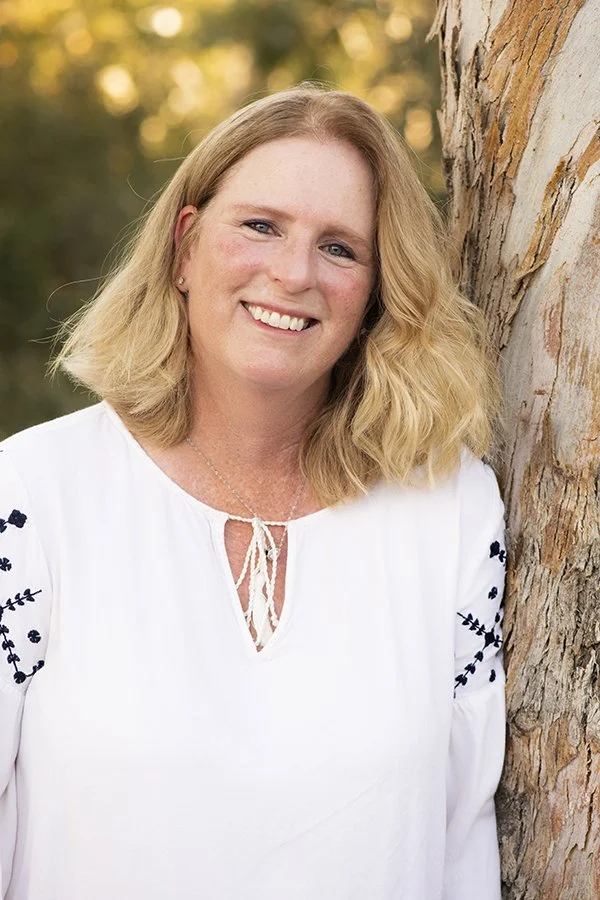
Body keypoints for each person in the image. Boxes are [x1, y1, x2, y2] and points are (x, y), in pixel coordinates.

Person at [0, 84, 507, 899]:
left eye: (340, 248)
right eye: (261, 226)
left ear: (377, 293)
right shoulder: (33, 495)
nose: (294, 273)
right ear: (184, 248)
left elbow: (464, 852)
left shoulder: (451, 514)